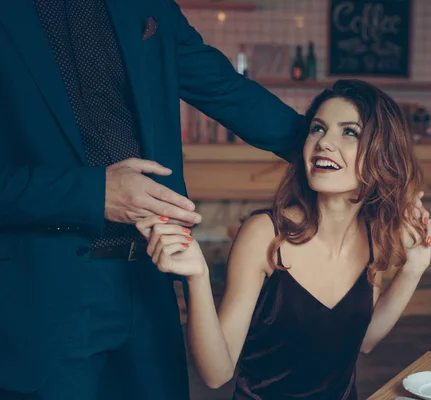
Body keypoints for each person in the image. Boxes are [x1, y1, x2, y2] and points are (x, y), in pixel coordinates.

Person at [0, 1, 305, 399]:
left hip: (151, 279)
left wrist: (349, 156)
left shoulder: (149, 5)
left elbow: (229, 92)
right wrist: (94, 193)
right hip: (41, 293)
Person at [137, 79, 431, 399]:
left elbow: (363, 340)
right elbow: (216, 374)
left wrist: (414, 268)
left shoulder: (372, 236)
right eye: (318, 128)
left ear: (382, 155)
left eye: (349, 132)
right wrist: (198, 277)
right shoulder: (265, 234)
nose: (324, 142)